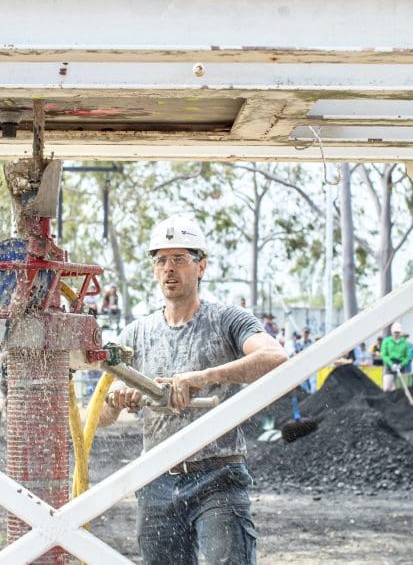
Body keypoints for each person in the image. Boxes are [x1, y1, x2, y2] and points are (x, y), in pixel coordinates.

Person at [98, 215, 287, 564]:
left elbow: (275, 357)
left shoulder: (228, 320)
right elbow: (99, 416)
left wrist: (200, 377)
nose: (169, 268)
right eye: (161, 260)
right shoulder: (134, 335)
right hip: (156, 479)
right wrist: (116, 400)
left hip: (217, 477)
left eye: (180, 259)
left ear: (201, 266)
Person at [380, 322, 411, 393]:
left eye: (398, 332)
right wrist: (391, 364)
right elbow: (384, 355)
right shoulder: (386, 341)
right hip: (389, 364)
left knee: (399, 389)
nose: (396, 334)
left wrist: (401, 364)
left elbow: (407, 357)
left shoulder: (405, 343)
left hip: (401, 365)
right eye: (395, 332)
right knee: (387, 388)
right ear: (392, 332)